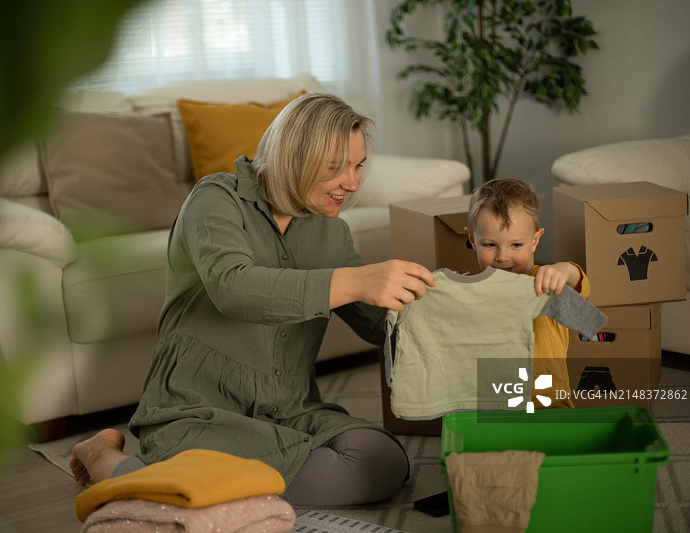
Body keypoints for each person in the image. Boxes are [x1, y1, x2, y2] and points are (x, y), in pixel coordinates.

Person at [70, 93, 437, 506]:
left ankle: (209, 488)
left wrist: (455, 306)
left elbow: (376, 322)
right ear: (291, 156)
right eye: (335, 168)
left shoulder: (332, 232)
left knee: (382, 461)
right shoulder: (215, 200)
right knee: (174, 492)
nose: (351, 183)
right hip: (202, 408)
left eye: (357, 166)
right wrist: (355, 281)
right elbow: (234, 288)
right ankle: (105, 456)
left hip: (289, 410)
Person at [464, 178, 590, 408]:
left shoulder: (546, 283)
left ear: (534, 241)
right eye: (490, 245)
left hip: (549, 407)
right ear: (472, 240)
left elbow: (581, 288)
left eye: (516, 245)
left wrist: (566, 270)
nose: (502, 256)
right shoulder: (470, 294)